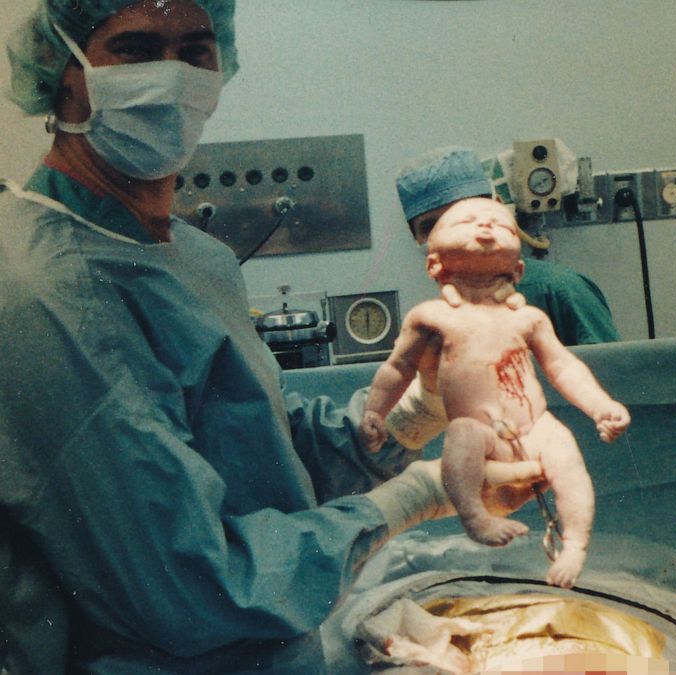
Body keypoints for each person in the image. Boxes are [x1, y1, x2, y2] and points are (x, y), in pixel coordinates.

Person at [0, 2, 540, 672]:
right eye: (135, 49)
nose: (171, 78)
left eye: (196, 50)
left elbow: (266, 452)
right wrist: (416, 496)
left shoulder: (192, 257)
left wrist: (413, 414)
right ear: (63, 71)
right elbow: (186, 582)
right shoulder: (51, 292)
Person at [359, 197, 630, 589]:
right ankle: (475, 516)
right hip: (478, 428)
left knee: (566, 455)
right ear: (434, 264)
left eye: (499, 225)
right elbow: (397, 368)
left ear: (518, 268)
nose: (485, 226)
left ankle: (574, 544)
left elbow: (563, 367)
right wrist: (375, 413)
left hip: (534, 424)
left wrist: (600, 406)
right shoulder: (431, 316)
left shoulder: (528, 317)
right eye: (467, 222)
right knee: (461, 435)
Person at [396, 146, 621, 347]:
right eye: (431, 225)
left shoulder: (560, 291)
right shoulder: (438, 319)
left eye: (465, 215)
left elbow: (614, 378)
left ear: (498, 209)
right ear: (417, 239)